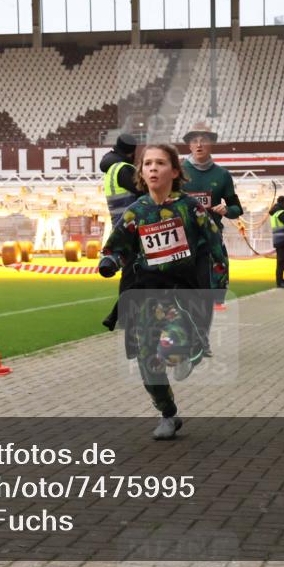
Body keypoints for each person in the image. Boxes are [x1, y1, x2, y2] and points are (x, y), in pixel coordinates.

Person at [98, 143, 227, 440]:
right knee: (147, 360)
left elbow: (215, 245)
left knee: (171, 343)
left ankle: (187, 350)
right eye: (148, 164)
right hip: (147, 290)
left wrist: (217, 285)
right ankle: (168, 414)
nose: (153, 168)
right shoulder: (136, 212)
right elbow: (117, 245)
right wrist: (110, 260)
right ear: (141, 172)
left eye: (160, 163)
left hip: (184, 290)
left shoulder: (190, 208)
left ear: (175, 171)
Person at [180, 122, 243, 311]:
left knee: (218, 265)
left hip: (212, 234)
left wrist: (226, 210)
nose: (199, 145)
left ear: (211, 144)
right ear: (189, 145)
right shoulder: (178, 173)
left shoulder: (222, 175)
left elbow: (237, 208)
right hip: (183, 236)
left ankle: (216, 301)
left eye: (204, 141)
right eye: (194, 141)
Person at [99, 133, 139, 331]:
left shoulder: (112, 169)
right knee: (135, 276)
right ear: (132, 153)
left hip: (121, 226)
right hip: (133, 229)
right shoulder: (125, 170)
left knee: (132, 275)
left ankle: (116, 316)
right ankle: (120, 316)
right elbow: (147, 191)